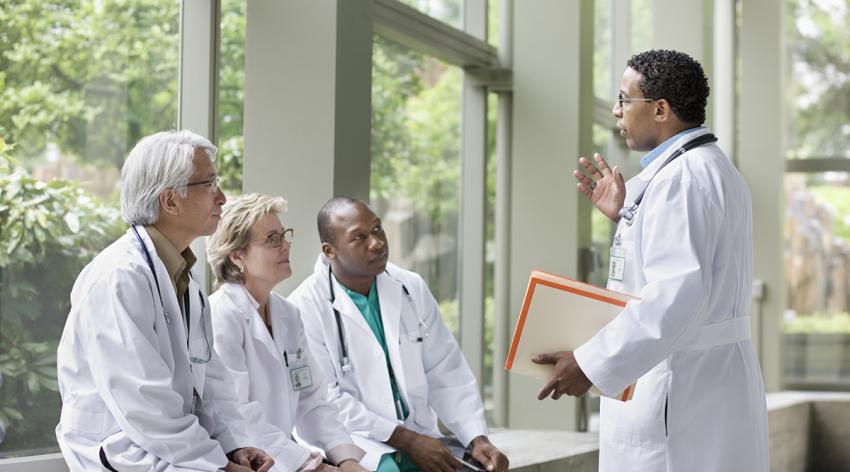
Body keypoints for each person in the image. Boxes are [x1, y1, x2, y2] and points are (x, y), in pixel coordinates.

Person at [532, 49, 769, 471]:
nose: (617, 111)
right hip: (705, 383)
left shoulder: (682, 181)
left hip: (680, 391)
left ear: (660, 109)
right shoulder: (710, 170)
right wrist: (626, 215)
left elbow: (672, 300)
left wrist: (590, 363)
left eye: (625, 100)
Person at [56, 130, 274, 472]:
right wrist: (219, 463)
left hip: (174, 449)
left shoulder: (183, 275)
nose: (223, 197)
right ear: (170, 201)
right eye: (210, 184)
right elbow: (143, 402)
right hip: (124, 452)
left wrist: (236, 444)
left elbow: (211, 380)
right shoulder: (119, 277)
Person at [288, 198, 509, 472]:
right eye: (360, 237)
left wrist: (477, 438)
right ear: (329, 251)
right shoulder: (304, 306)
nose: (377, 243)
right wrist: (407, 440)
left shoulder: (409, 286)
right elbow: (326, 400)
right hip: (356, 441)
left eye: (377, 229)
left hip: (419, 436)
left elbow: (445, 369)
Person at [206, 193, 370, 472]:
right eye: (272, 239)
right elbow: (238, 414)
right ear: (236, 256)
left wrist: (346, 458)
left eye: (284, 235)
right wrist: (314, 467)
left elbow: (312, 399)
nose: (286, 245)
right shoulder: (221, 315)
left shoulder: (287, 314)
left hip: (285, 458)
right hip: (242, 461)